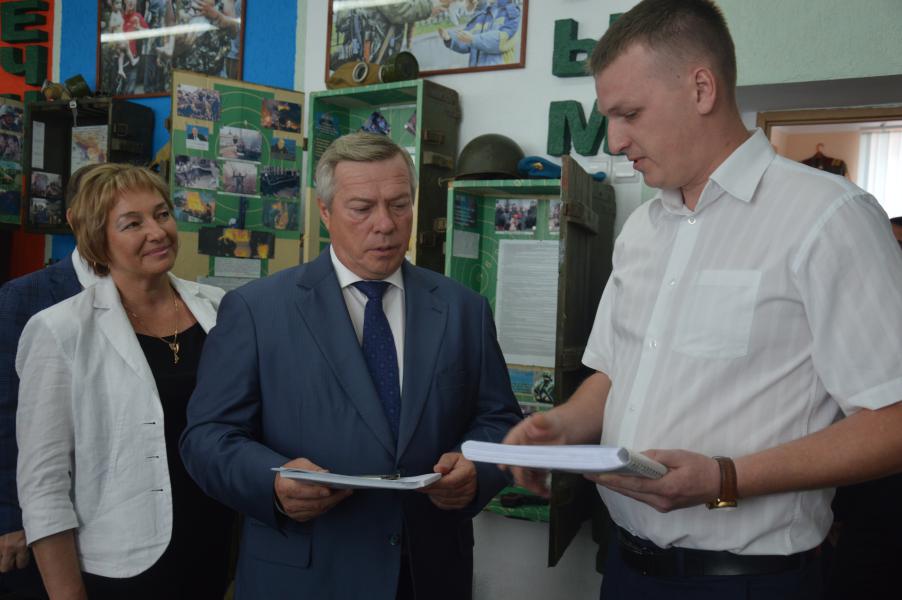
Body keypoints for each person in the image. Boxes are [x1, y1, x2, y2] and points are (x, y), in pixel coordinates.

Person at [502, 1, 902, 598]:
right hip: (625, 570)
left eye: (629, 114)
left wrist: (724, 478)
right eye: (609, 118)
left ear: (701, 88)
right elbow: (614, 373)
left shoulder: (828, 218)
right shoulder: (641, 229)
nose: (616, 140)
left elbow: (893, 422)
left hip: (749, 582)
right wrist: (560, 426)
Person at [180, 132, 522, 600]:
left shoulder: (464, 309)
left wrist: (478, 471)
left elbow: (500, 419)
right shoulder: (257, 311)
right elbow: (207, 437)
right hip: (305, 576)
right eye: (362, 208)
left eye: (399, 205)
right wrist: (271, 482)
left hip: (428, 573)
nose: (385, 225)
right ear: (325, 212)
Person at [15, 164, 234, 600]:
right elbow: (43, 482)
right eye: (132, 224)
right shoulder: (60, 329)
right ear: (98, 241)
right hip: (121, 563)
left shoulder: (219, 308)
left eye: (162, 214)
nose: (157, 231)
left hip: (217, 544)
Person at [0, 166, 103, 598]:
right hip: (42, 520)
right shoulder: (26, 296)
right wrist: (11, 515)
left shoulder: (155, 296)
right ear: (75, 218)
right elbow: (7, 411)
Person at [438, 0, 521, 67]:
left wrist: (473, 39)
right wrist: (450, 38)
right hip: (475, 74)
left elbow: (500, 41)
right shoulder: (482, 15)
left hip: (498, 75)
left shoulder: (512, 13)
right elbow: (466, 39)